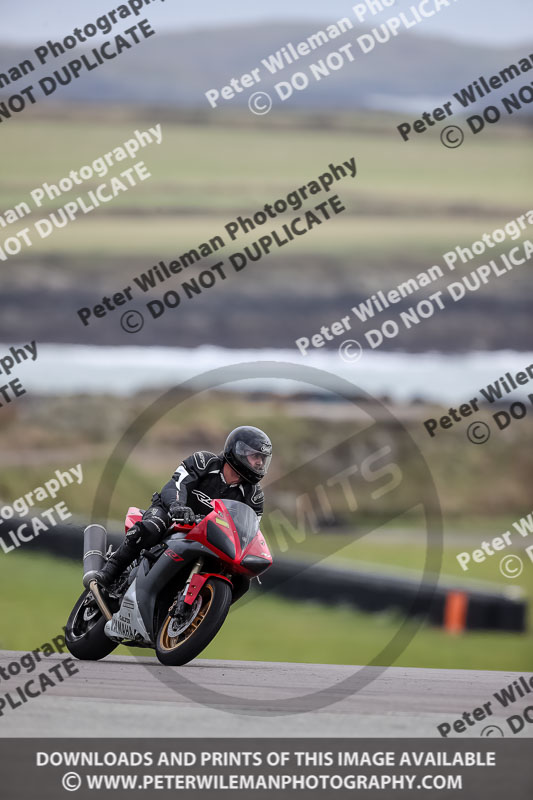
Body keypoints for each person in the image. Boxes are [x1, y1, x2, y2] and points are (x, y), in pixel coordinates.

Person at [95, 425, 272, 587]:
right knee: (150, 528)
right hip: (171, 513)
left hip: (208, 535)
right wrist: (177, 505)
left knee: (240, 580)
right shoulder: (204, 461)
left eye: (263, 459)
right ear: (238, 450)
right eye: (255, 456)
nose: (260, 463)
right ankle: (110, 571)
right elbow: (176, 484)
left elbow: (248, 531)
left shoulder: (254, 496)